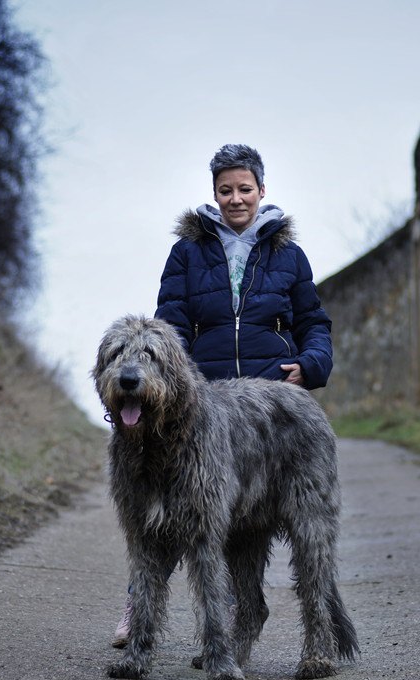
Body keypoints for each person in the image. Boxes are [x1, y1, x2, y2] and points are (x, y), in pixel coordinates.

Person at [112, 143, 333, 647]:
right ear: (214, 193)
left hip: (269, 408)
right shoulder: (187, 253)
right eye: (225, 190)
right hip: (201, 402)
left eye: (245, 189)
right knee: (165, 513)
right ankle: (139, 609)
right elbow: (169, 327)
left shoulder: (288, 254)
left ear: (262, 190)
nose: (236, 199)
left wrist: (312, 364)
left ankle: (238, 625)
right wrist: (174, 383)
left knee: (243, 525)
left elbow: (313, 322)